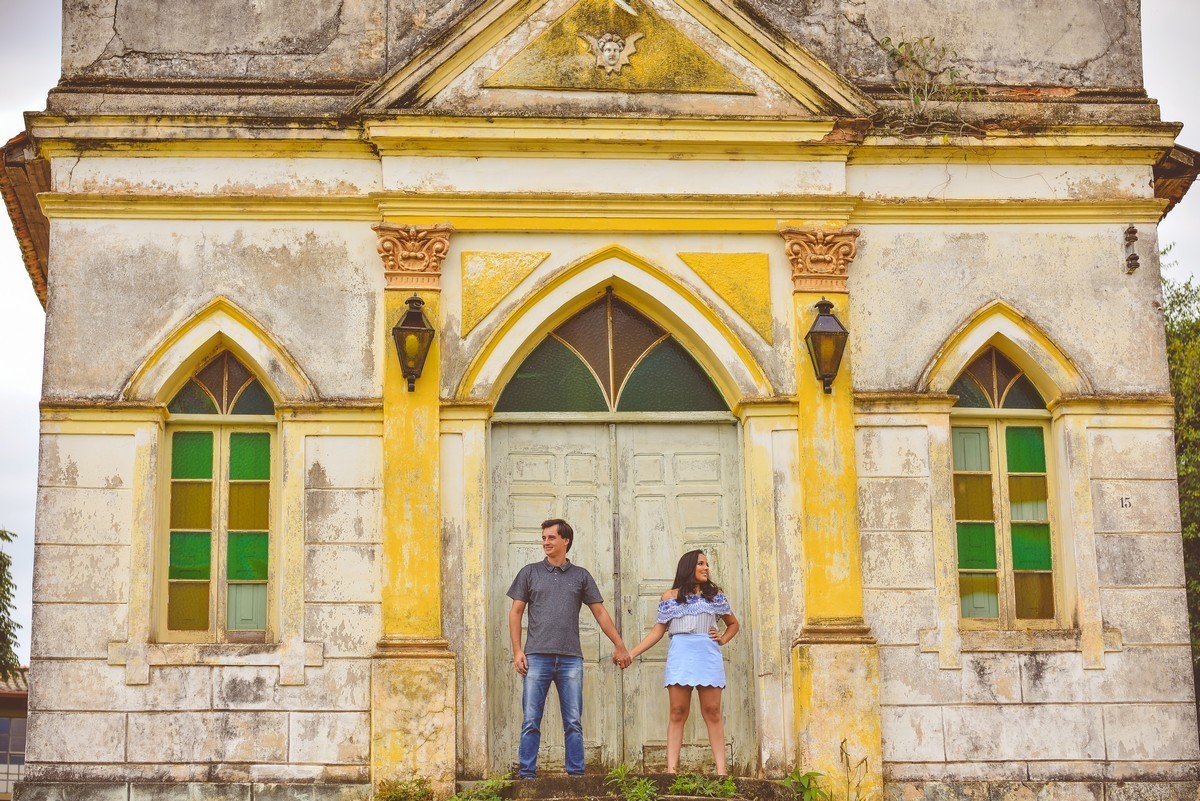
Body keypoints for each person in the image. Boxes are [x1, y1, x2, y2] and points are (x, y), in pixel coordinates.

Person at [508, 518, 633, 778]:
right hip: (536, 657)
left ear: (566, 540)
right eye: (543, 538)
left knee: (573, 721)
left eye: (551, 537)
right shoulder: (529, 572)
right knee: (531, 720)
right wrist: (517, 650)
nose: (545, 542)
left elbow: (600, 613)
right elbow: (516, 612)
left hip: (570, 659)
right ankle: (527, 776)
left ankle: (576, 776)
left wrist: (620, 645)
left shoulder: (581, 576)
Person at [628, 550, 740, 777]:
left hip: (707, 655)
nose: (706, 568)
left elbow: (733, 624)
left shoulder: (715, 596)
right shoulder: (669, 597)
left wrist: (723, 639)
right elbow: (657, 632)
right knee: (678, 711)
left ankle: (721, 772)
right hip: (681, 654)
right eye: (701, 563)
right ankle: (671, 771)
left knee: (712, 711)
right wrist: (631, 654)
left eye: (707, 564)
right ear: (688, 567)